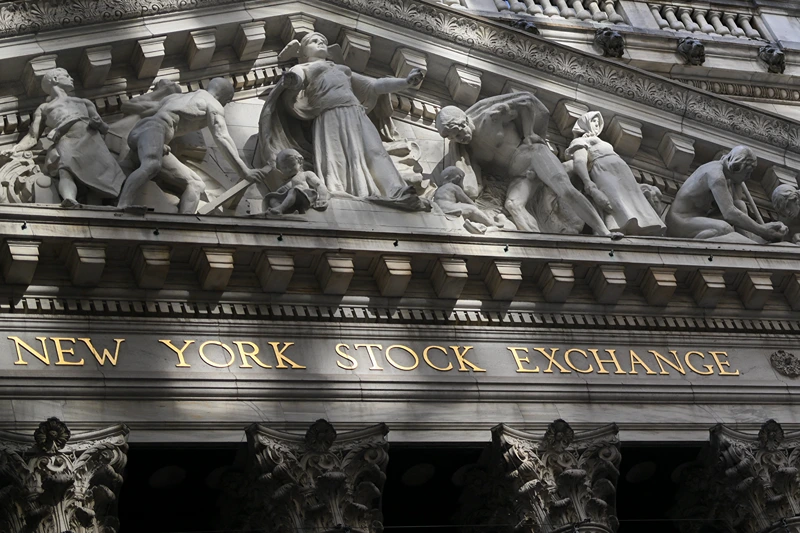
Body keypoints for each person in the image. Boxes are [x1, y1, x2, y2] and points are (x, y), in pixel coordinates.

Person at [256, 32, 428, 211]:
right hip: (330, 115)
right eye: (314, 41)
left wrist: (406, 82)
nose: (320, 43)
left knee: (376, 151)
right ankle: (341, 192)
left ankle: (396, 191)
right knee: (337, 159)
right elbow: (296, 81)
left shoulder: (341, 69)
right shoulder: (305, 67)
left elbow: (375, 85)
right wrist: (291, 81)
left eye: (323, 40)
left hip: (355, 111)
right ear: (304, 52)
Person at [435, 92, 620, 238]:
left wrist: (529, 132)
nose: (460, 139)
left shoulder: (490, 118)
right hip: (519, 174)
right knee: (513, 205)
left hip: (532, 156)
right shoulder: (470, 151)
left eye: (459, 133)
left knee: (566, 190)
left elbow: (526, 103)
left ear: (465, 121)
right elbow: (473, 186)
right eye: (453, 138)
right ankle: (540, 242)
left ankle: (603, 231)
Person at [117, 77, 263, 213]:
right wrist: (244, 171)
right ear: (225, 97)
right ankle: (122, 206)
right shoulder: (213, 105)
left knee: (196, 184)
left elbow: (134, 107)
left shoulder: (175, 98)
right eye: (227, 101)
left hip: (143, 134)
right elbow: (222, 137)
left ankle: (183, 224)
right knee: (151, 165)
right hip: (154, 132)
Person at [10, 68, 125, 207]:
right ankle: (70, 200)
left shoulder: (84, 102)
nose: (71, 78)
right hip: (67, 141)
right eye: (67, 75)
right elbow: (32, 136)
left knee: (102, 172)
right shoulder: (45, 108)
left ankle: (112, 202)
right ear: (55, 79)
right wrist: (15, 149)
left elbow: (105, 128)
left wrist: (98, 123)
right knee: (65, 169)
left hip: (90, 140)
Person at [567, 111, 666, 236]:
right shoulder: (581, 141)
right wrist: (589, 184)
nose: (596, 126)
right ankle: (616, 228)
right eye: (593, 122)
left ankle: (641, 226)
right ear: (585, 123)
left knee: (631, 200)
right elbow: (579, 162)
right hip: (604, 172)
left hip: (622, 174)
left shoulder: (599, 141)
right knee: (614, 200)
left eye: (598, 123)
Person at [666, 146, 787, 243]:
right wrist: (762, 230)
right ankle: (695, 247)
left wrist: (759, 232)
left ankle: (750, 243)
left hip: (699, 217)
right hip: (680, 221)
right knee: (724, 229)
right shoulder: (716, 176)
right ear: (736, 167)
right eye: (747, 173)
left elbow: (737, 207)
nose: (748, 177)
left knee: (739, 205)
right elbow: (729, 213)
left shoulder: (728, 175)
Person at [433, 166, 502, 230]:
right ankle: (491, 224)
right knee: (472, 209)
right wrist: (478, 209)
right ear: (457, 179)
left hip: (439, 209)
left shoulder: (439, 189)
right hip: (449, 207)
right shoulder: (454, 187)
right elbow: (467, 201)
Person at [264, 149, 330, 215]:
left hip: (305, 198)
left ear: (300, 162)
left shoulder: (306, 174)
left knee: (293, 191)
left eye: (292, 165)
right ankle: (284, 212)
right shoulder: (286, 182)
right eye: (284, 168)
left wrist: (322, 199)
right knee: (272, 199)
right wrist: (280, 191)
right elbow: (279, 193)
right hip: (291, 202)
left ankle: (280, 209)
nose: (289, 169)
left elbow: (319, 185)